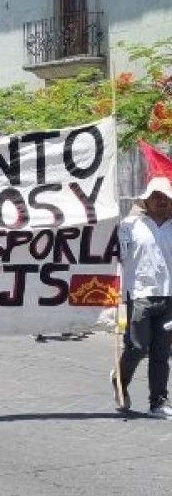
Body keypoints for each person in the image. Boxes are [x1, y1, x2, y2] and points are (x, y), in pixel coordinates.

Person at [113, 176, 172, 417]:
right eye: (155, 196)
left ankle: (158, 402)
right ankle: (119, 378)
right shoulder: (129, 225)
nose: (161, 200)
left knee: (161, 352)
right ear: (145, 201)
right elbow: (117, 255)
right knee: (137, 347)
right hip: (138, 295)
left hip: (168, 295)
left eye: (165, 197)